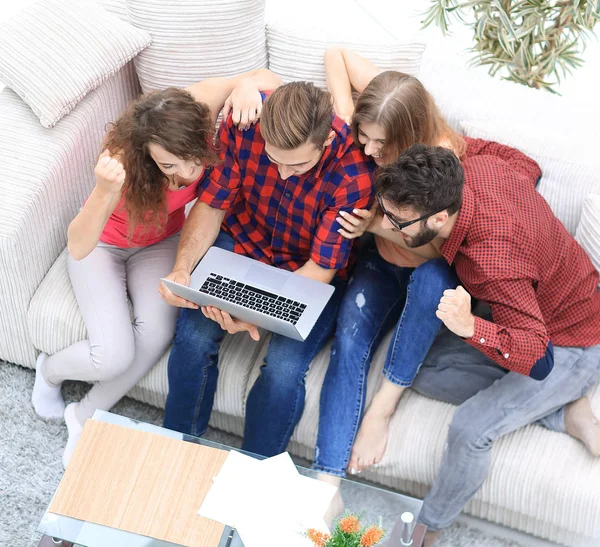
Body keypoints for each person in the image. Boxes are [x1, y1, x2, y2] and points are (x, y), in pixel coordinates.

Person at [31, 68, 282, 468]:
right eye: (167, 167)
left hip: (160, 242)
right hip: (105, 247)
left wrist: (249, 86)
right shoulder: (120, 161)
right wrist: (103, 190)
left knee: (158, 333)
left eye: (189, 161)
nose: (184, 175)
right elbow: (78, 246)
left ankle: (84, 414)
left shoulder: (200, 105)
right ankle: (49, 371)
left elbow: (266, 77)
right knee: (112, 354)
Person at [377, 143, 600, 546]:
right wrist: (461, 145)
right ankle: (561, 410)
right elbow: (527, 164)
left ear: (440, 217)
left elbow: (536, 358)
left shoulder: (492, 262)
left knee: (470, 428)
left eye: (399, 221)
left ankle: (424, 534)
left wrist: (469, 328)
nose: (390, 225)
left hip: (571, 342)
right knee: (420, 370)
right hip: (526, 311)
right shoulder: (475, 167)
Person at [160, 81, 376, 456]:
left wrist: (251, 314)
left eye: (297, 163)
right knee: (193, 339)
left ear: (325, 142)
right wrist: (183, 269)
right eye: (274, 159)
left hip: (308, 270)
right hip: (244, 239)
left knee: (284, 370)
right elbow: (211, 206)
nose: (284, 173)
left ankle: (257, 468)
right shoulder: (244, 124)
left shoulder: (354, 174)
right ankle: (177, 451)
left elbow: (321, 268)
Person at [313, 48, 464, 483]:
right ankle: (327, 483)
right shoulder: (392, 102)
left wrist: (374, 226)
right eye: (366, 136)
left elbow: (439, 250)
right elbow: (336, 54)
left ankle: (382, 410)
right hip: (380, 263)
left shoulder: (442, 163)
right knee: (349, 341)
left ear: (410, 134)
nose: (368, 149)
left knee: (435, 280)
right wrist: (346, 117)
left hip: (427, 267)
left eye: (381, 143)